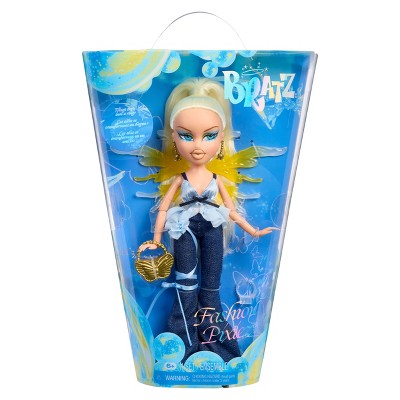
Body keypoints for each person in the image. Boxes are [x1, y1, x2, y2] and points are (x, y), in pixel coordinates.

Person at [139, 78, 278, 362]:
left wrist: (253, 231)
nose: (198, 146)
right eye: (186, 135)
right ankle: (180, 349)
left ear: (221, 138)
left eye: (209, 135)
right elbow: (164, 209)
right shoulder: (181, 178)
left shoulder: (217, 179)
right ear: (174, 138)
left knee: (211, 287)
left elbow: (231, 210)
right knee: (186, 286)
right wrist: (155, 241)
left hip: (213, 227)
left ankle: (220, 352)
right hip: (184, 229)